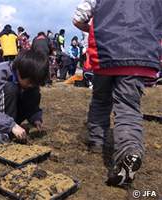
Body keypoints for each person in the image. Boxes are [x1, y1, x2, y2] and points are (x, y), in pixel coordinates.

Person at [73, 0, 161, 188]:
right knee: (128, 108)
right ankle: (130, 150)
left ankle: (97, 141)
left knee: (100, 101)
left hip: (104, 53)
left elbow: (77, 20)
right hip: (138, 53)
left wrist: (98, 31)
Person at [0, 48, 48, 145]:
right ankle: (1, 131)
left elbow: (33, 101)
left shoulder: (30, 75)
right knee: (10, 88)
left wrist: (36, 119)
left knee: (34, 94)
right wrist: (11, 125)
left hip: (7, 97)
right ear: (18, 71)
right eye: (30, 82)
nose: (31, 85)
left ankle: (11, 125)